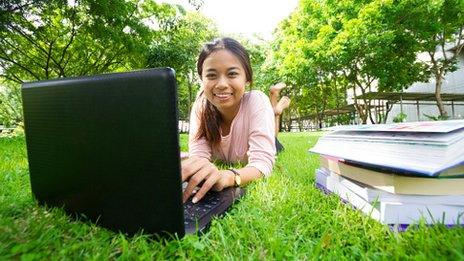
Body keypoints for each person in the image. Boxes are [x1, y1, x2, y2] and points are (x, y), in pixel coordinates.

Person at [181, 37, 290, 204]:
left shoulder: (256, 101)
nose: (222, 84)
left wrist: (228, 177)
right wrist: (199, 169)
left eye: (232, 74)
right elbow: (199, 157)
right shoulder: (201, 107)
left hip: (267, 142)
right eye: (211, 75)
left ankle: (276, 111)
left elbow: (263, 165)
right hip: (236, 146)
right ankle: (275, 110)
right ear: (202, 80)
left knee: (274, 141)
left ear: (247, 78)